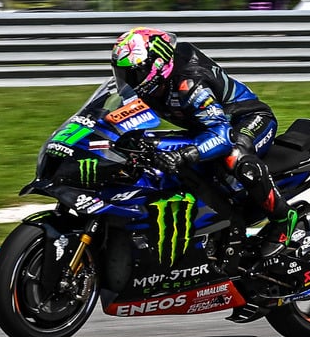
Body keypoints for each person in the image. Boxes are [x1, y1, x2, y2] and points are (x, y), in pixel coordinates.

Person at [110, 27, 297, 260]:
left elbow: (222, 136)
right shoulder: (149, 86)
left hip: (247, 120)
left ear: (156, 65)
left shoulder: (188, 83)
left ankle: (283, 219)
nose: (128, 81)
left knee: (234, 155)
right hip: (207, 126)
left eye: (133, 75)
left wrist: (184, 155)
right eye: (123, 74)